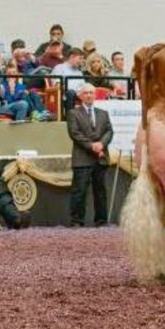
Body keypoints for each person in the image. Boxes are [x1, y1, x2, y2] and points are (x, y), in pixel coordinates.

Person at [66, 87, 113, 227]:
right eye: (85, 93)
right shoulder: (73, 113)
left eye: (91, 93)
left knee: (101, 192)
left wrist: (101, 144)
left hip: (100, 158)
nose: (89, 95)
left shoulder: (103, 113)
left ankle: (101, 221)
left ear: (95, 95)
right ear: (80, 96)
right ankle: (77, 221)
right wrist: (92, 146)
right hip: (82, 158)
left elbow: (109, 132)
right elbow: (75, 133)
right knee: (79, 191)